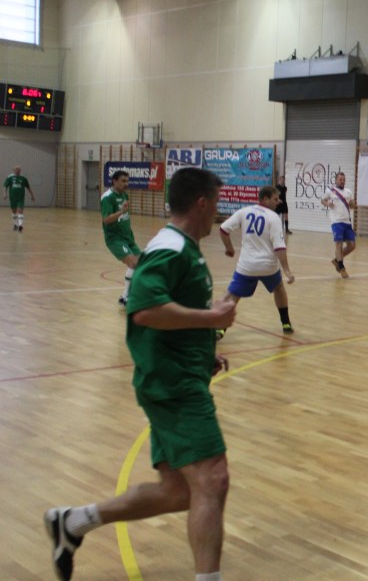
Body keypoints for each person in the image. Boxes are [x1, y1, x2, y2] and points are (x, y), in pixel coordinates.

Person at [44, 167, 237, 581]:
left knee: (178, 491)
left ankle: (73, 522)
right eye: (216, 205)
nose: (217, 214)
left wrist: (203, 350)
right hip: (173, 385)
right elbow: (145, 310)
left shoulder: (182, 247)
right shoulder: (171, 248)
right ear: (202, 204)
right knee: (213, 478)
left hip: (177, 375)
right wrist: (211, 319)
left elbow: (169, 312)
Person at [217, 185, 296, 338]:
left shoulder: (244, 211)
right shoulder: (273, 217)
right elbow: (279, 247)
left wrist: (229, 248)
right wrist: (287, 270)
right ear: (265, 199)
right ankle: (286, 323)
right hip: (268, 266)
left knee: (234, 295)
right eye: (275, 199)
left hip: (247, 266)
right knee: (279, 288)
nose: (278, 202)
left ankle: (220, 329)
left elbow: (223, 229)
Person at [101, 170, 142, 306]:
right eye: (123, 181)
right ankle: (127, 296)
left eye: (127, 181)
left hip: (128, 237)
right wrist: (121, 212)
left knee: (141, 263)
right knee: (133, 263)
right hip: (115, 239)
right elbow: (106, 219)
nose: (126, 184)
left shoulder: (124, 195)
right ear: (114, 181)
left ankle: (126, 296)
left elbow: (125, 217)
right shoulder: (107, 197)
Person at [320, 171, 355, 278]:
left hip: (347, 222)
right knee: (338, 244)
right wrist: (328, 203)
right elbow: (322, 200)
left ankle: (336, 260)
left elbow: (352, 206)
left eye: (344, 180)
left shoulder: (348, 192)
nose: (342, 181)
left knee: (352, 245)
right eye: (340, 179)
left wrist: (353, 203)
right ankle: (341, 267)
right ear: (336, 180)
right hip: (336, 222)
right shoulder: (330, 191)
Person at [3, 165, 35, 232]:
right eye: (17, 170)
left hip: (20, 198)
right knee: (14, 212)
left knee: (20, 211)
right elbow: (5, 186)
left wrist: (32, 195)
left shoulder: (23, 178)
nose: (18, 171)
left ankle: (20, 225)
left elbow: (28, 187)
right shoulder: (9, 177)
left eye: (19, 170)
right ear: (14, 170)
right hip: (12, 198)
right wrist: (4, 194)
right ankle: (16, 224)